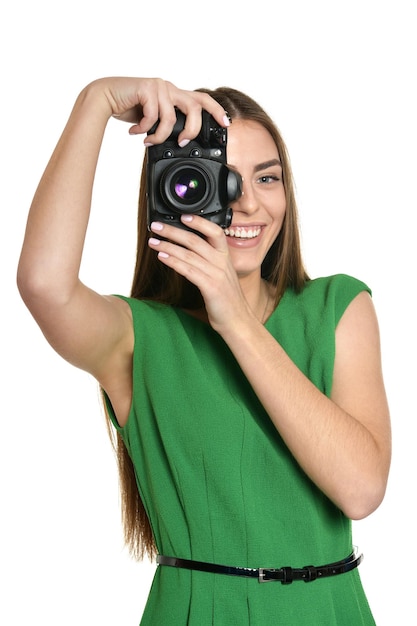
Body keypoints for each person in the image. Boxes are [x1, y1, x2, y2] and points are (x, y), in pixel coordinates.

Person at [17, 77, 391, 625]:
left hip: (331, 609)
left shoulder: (339, 307)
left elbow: (361, 489)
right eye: (222, 180)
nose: (247, 203)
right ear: (173, 190)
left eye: (268, 178)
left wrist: (236, 319)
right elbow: (44, 284)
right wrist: (95, 102)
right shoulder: (138, 336)